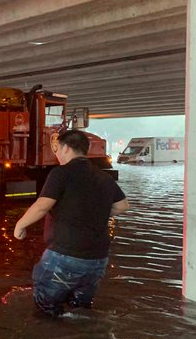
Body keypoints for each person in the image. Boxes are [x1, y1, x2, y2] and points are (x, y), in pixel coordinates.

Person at [13, 129, 130, 317]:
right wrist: (91, 211)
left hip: (65, 256)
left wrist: (20, 225)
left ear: (66, 147)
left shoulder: (61, 173)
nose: (56, 153)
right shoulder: (103, 177)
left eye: (57, 148)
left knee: (47, 309)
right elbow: (123, 206)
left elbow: (43, 205)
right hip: (97, 259)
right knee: (80, 310)